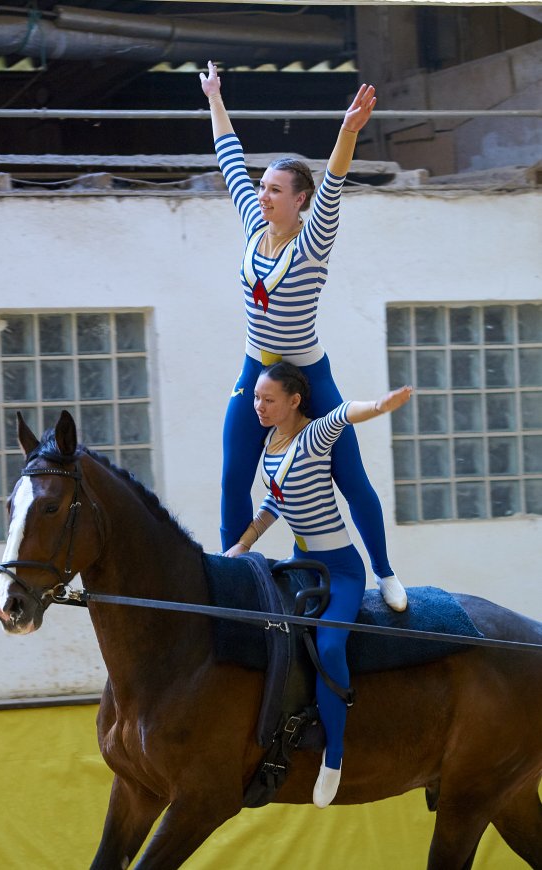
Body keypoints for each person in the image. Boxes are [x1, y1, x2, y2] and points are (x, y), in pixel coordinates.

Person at [200, 61, 407, 612]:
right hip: (257, 369)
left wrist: (348, 131)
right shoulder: (252, 221)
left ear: (299, 200)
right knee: (234, 471)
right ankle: (234, 571)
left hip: (309, 373)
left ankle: (383, 572)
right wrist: (215, 96)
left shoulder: (313, 240)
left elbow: (334, 180)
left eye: (274, 190)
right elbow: (228, 158)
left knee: (349, 472)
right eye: (262, 187)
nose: (262, 195)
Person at [224, 361, 412, 807]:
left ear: (294, 401)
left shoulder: (314, 433)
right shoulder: (271, 441)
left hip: (341, 569)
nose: (259, 407)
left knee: (329, 649)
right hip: (301, 562)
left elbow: (346, 414)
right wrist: (243, 543)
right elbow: (274, 501)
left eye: (268, 400)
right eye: (255, 399)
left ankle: (335, 757)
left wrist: (381, 405)